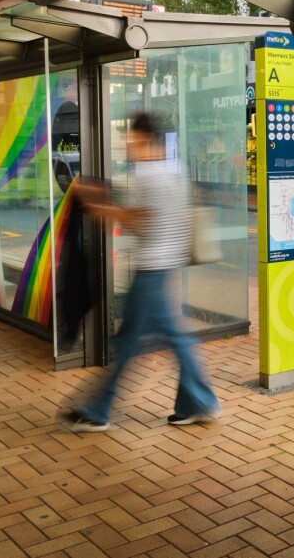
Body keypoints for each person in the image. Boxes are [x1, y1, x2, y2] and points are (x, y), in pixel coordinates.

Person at [60, 112, 220, 432]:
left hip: (151, 270)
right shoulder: (174, 170)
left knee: (130, 343)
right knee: (168, 338)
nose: (127, 145)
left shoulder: (149, 175)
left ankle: (99, 409)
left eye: (130, 139)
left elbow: (137, 220)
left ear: (144, 139)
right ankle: (198, 402)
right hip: (165, 266)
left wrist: (95, 206)